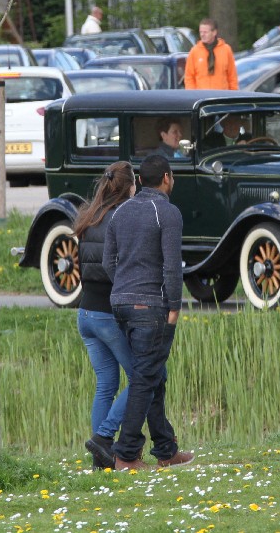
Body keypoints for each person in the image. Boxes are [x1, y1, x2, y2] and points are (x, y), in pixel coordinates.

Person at [104, 154, 194, 470]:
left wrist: (124, 289)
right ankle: (126, 454)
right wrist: (174, 308)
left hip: (120, 304)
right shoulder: (167, 212)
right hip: (151, 307)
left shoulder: (120, 212)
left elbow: (108, 262)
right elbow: (172, 266)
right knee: (144, 379)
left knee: (154, 374)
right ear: (167, 178)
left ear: (140, 181)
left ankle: (166, 449)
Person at [75, 161, 138, 470]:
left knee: (106, 384)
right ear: (129, 187)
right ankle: (103, 437)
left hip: (85, 313)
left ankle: (100, 460)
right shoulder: (121, 219)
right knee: (143, 376)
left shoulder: (88, 217)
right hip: (107, 314)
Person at [184, 18, 237, 90]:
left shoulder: (226, 50)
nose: (202, 35)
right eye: (201, 32)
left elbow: (232, 76)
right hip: (201, 95)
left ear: (214, 32)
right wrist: (192, 94)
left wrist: (233, 94)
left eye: (205, 32)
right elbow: (189, 77)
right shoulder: (194, 51)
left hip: (221, 95)